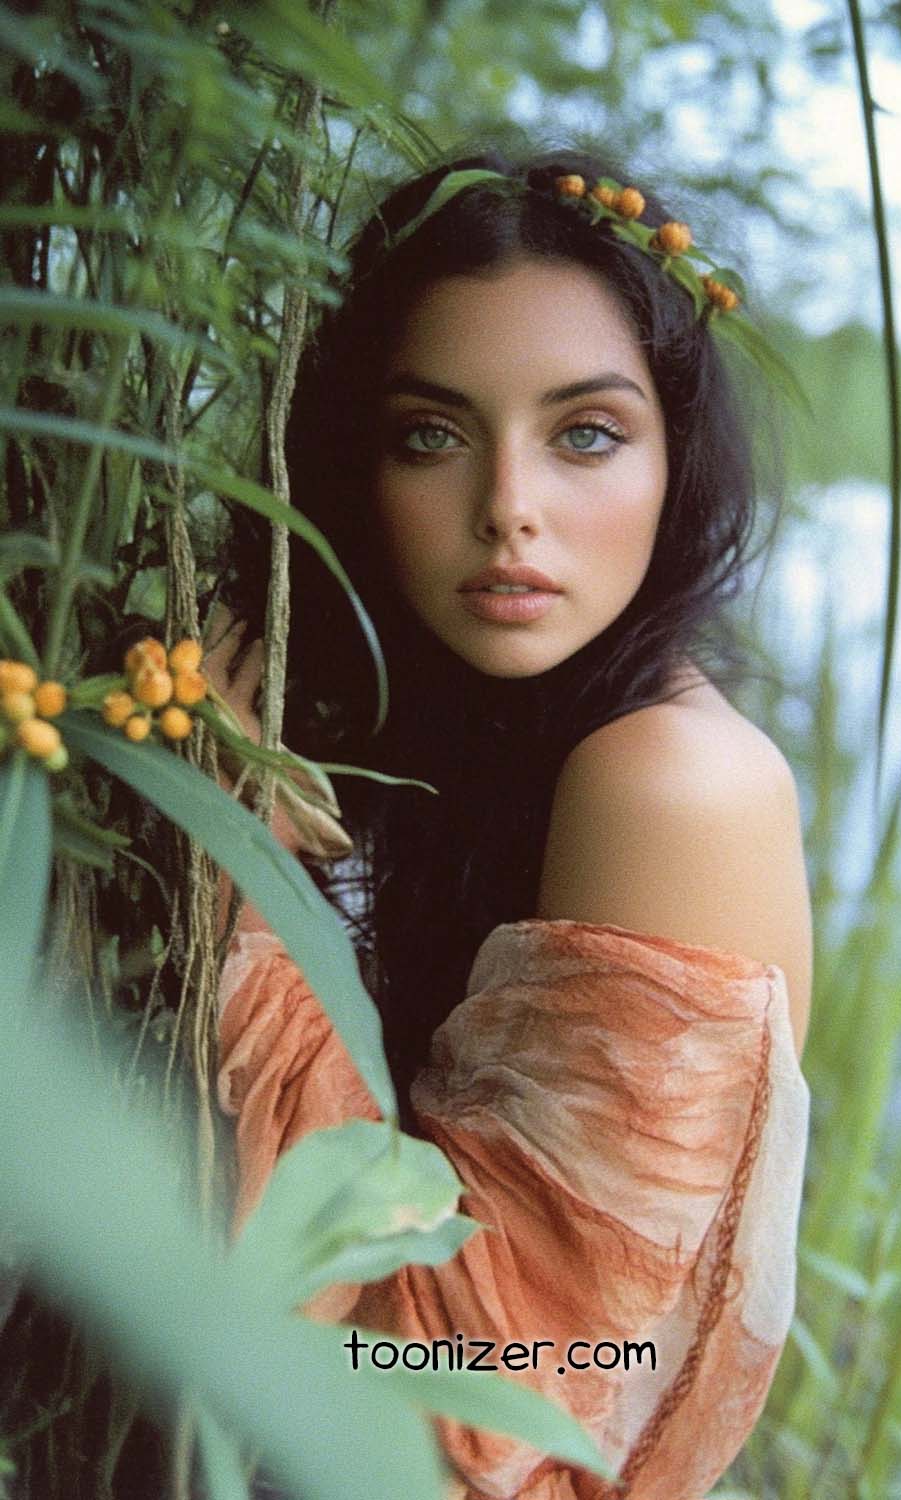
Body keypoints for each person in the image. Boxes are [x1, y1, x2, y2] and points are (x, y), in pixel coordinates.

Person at [209, 146, 812, 1500]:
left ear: (676, 462)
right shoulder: (510, 736)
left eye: (585, 432)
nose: (508, 511)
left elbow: (468, 1407)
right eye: (432, 434)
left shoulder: (670, 782)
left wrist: (241, 889)